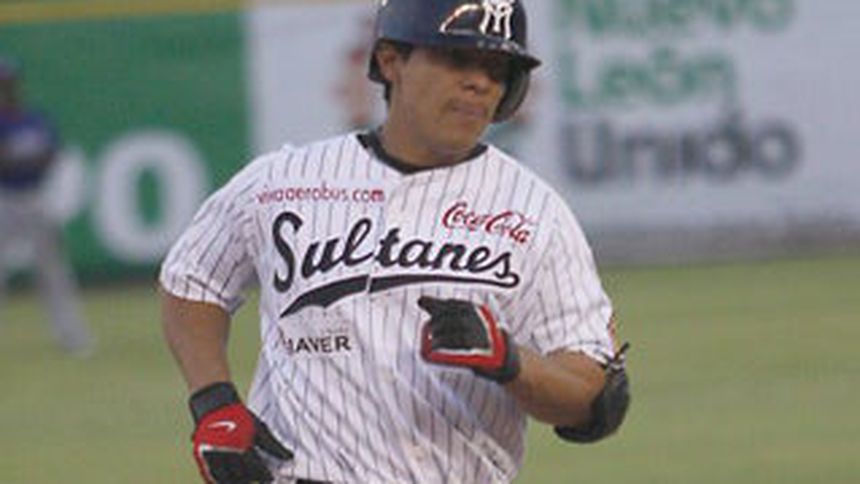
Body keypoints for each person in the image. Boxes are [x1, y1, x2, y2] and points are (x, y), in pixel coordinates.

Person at [159, 1, 631, 482]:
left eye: (496, 69)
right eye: (457, 59)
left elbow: (595, 400)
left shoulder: (536, 212)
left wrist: (511, 361)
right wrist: (214, 402)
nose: (479, 83)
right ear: (390, 60)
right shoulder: (284, 181)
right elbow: (193, 279)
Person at [0, 57, 93, 356]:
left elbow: (52, 155)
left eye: (8, 82)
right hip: (5, 198)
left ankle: (71, 336)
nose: (6, 89)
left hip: (35, 197)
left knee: (53, 271)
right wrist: (23, 158)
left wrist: (17, 158)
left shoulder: (35, 119)